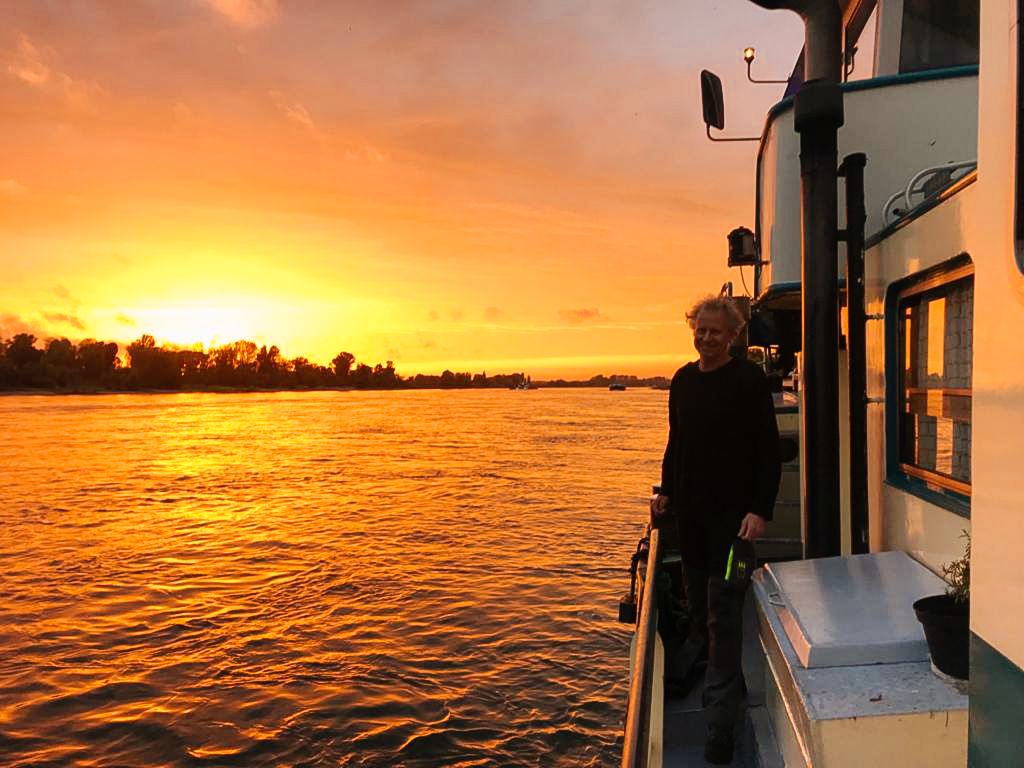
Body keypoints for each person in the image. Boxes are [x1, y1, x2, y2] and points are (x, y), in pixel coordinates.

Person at [651, 294, 781, 765]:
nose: (706, 338)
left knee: (724, 617)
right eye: (700, 330)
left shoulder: (747, 381)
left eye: (715, 331)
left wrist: (760, 510)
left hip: (734, 526)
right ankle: (732, 693)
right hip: (692, 521)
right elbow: (676, 443)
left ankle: (719, 727)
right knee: (703, 614)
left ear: (732, 336)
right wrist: (666, 489)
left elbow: (768, 451)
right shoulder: (683, 381)